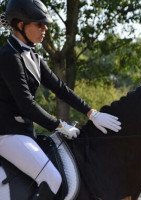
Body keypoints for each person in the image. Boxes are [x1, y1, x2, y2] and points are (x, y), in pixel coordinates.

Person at [0, 0, 122, 199]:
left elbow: (60, 88)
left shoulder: (34, 57)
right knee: (52, 179)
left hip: (22, 132)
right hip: (6, 134)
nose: (45, 28)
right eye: (39, 24)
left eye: (45, 24)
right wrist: (59, 125)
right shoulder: (8, 57)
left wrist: (91, 113)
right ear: (20, 25)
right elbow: (27, 105)